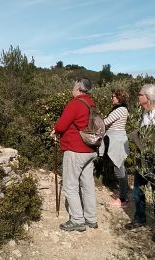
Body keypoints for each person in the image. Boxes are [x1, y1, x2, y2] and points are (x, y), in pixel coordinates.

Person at [125, 84, 155, 242]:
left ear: (147, 97)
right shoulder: (145, 113)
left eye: (139, 94)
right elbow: (142, 133)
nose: (137, 97)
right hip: (144, 158)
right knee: (138, 190)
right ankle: (140, 219)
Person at [50, 78, 98, 232]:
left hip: (75, 149)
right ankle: (91, 219)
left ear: (78, 87)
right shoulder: (91, 103)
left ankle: (77, 220)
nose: (72, 88)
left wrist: (55, 130)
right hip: (90, 149)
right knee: (88, 185)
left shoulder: (75, 103)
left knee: (70, 185)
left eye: (73, 86)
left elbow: (62, 124)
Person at [99, 88, 129, 208]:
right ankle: (123, 196)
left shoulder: (120, 109)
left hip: (117, 141)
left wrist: (96, 119)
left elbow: (105, 122)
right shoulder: (120, 109)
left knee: (119, 169)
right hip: (117, 140)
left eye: (113, 96)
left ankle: (123, 199)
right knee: (120, 168)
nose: (112, 98)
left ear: (119, 98)